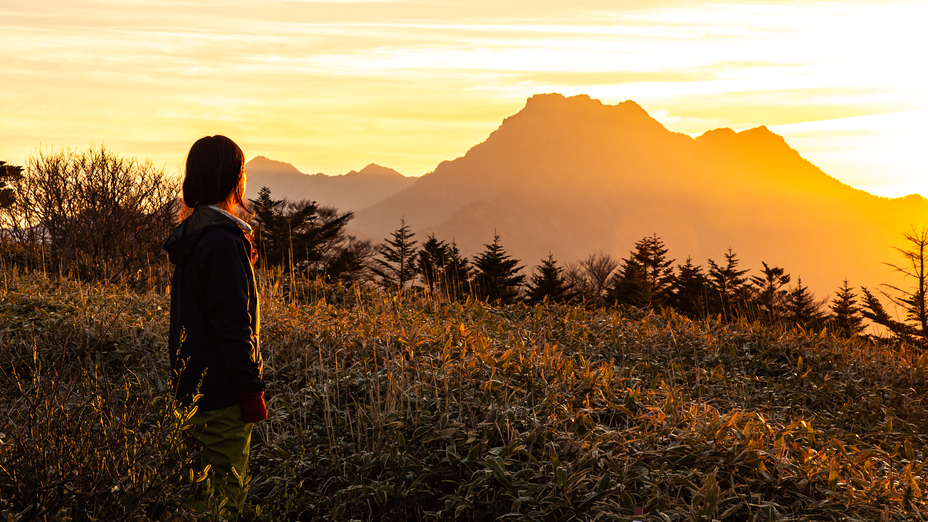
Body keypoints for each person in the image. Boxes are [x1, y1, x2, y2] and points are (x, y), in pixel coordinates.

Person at [164, 135, 267, 514]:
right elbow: (234, 326)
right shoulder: (224, 241)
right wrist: (251, 390)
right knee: (225, 499)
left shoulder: (191, 237)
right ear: (235, 179)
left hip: (190, 391)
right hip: (223, 395)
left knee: (195, 500)